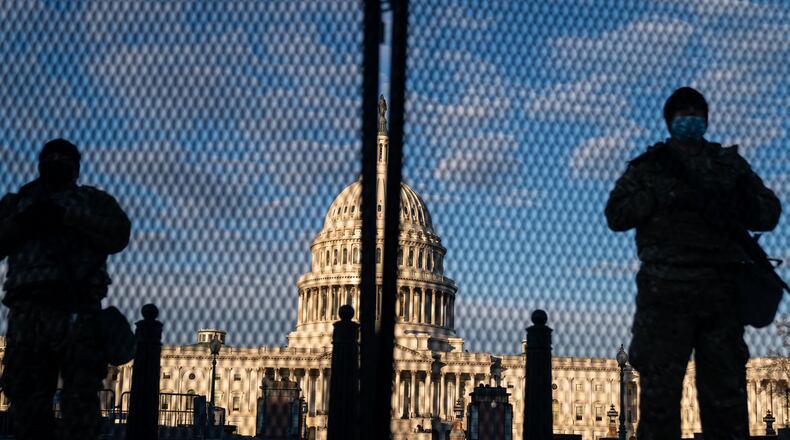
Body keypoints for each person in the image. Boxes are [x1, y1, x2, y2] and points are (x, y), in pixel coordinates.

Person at [605, 87, 782, 439]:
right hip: (665, 293)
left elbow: (769, 212)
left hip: (719, 290)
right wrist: (660, 198)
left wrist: (735, 202)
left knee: (726, 399)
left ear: (705, 119)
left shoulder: (729, 166)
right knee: (658, 399)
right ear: (671, 122)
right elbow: (616, 214)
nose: (690, 118)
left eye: (696, 112)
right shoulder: (650, 167)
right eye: (682, 113)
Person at [0, 139, 131, 440]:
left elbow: (119, 234)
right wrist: (23, 222)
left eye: (65, 158)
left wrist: (67, 216)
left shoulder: (91, 201)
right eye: (52, 157)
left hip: (77, 309)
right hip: (29, 311)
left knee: (81, 401)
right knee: (27, 402)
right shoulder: (18, 203)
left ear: (76, 167)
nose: (58, 162)